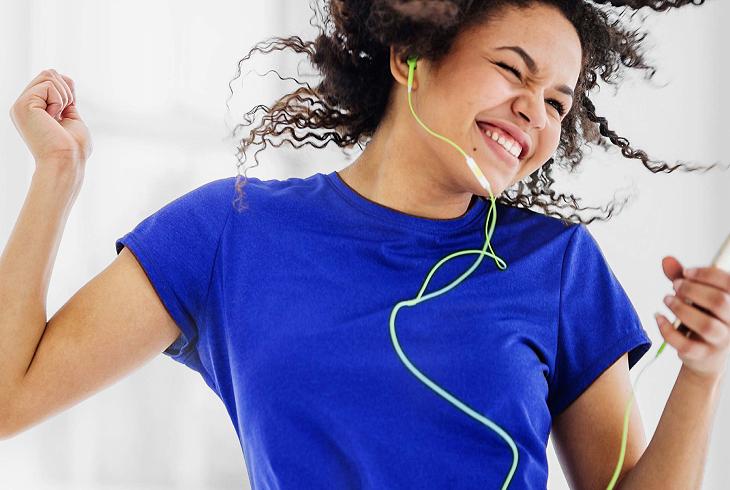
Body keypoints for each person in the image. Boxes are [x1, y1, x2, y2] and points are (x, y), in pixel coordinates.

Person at [2, 0, 729, 489]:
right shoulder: (228, 230)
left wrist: (699, 373)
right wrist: (56, 175)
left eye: (557, 104)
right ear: (411, 54)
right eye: (513, 70)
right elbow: (10, 399)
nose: (534, 115)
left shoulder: (558, 266)